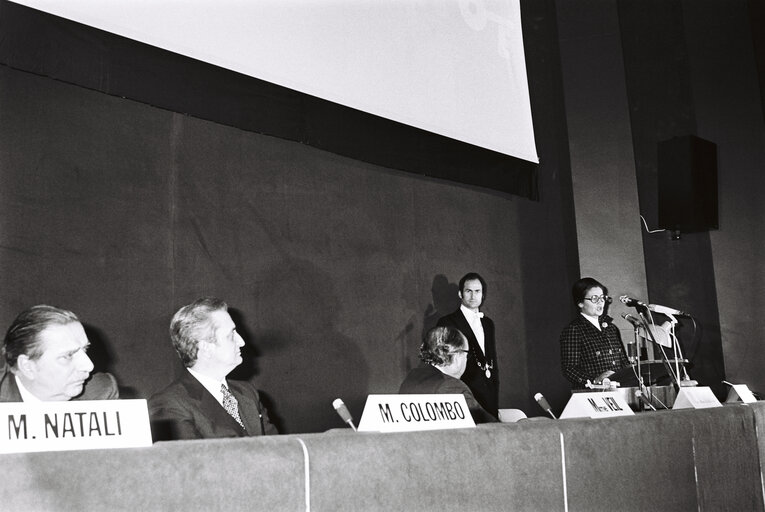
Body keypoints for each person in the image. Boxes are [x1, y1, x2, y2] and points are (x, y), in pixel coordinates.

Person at [149, 297, 277, 440]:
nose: (241, 342)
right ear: (205, 348)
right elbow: (192, 461)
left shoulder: (248, 393)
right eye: (231, 336)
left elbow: (280, 450)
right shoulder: (169, 404)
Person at [0, 305, 118, 402]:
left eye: (85, 349)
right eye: (68, 355)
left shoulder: (100, 391)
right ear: (28, 367)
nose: (89, 366)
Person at [400, 326, 496, 423]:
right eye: (467, 355)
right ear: (458, 355)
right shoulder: (452, 387)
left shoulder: (411, 379)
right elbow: (494, 430)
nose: (467, 360)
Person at [436, 272, 499, 418]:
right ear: (460, 294)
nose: (473, 296)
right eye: (468, 291)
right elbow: (444, 365)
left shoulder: (488, 324)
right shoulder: (447, 322)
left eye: (477, 291)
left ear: (483, 295)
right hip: (463, 394)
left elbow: (491, 361)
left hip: (489, 397)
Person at [560, 277, 630, 389]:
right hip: (591, 393)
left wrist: (633, 375)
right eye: (594, 298)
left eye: (602, 298)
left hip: (618, 391)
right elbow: (569, 369)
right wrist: (595, 379)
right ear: (580, 303)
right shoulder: (574, 330)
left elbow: (623, 362)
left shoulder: (611, 328)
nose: (600, 302)